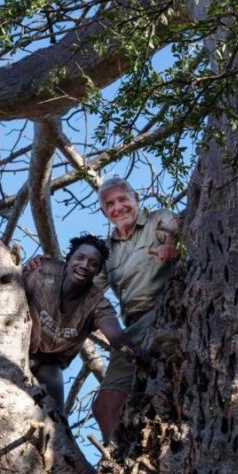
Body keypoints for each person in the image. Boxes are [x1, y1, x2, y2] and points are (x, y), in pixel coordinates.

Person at [92, 176, 180, 441]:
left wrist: (172, 245)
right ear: (104, 211)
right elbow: (87, 289)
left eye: (122, 199)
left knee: (167, 394)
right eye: (110, 204)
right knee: (104, 406)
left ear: (136, 199)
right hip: (131, 332)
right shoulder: (106, 252)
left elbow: (180, 233)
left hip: (167, 311)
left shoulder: (158, 220)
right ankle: (117, 468)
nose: (118, 207)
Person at [22, 234, 148, 411]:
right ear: (69, 259)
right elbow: (6, 286)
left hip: (49, 363)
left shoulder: (96, 303)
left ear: (97, 271)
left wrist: (135, 352)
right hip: (16, 347)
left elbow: (116, 336)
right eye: (80, 258)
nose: (84, 265)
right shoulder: (42, 271)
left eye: (93, 263)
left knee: (54, 416)